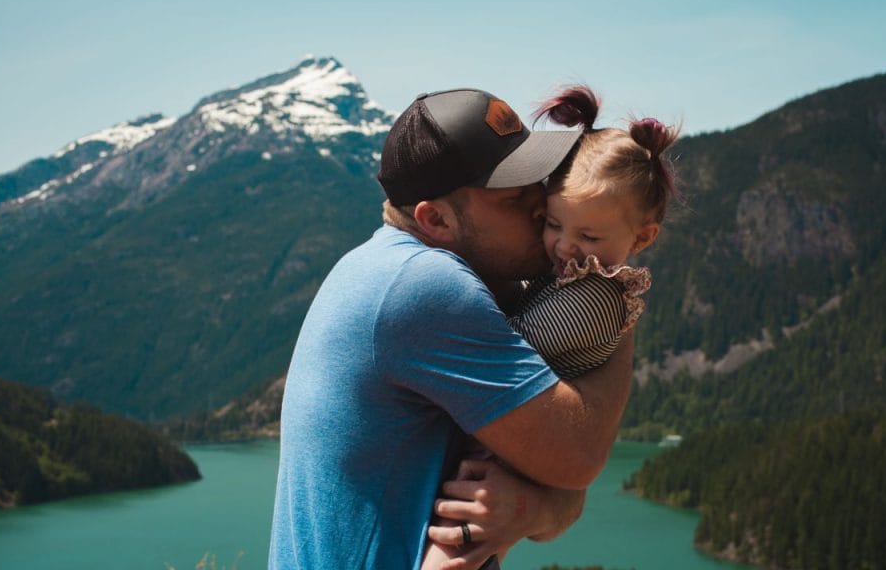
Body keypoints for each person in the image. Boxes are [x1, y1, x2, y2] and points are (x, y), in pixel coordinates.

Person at [269, 88, 637, 570]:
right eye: (513, 197)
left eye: (537, 181)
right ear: (435, 218)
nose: (540, 205)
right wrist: (615, 290)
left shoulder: (378, 265)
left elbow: (559, 487)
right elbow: (578, 456)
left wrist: (528, 508)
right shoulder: (424, 287)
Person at [420, 85, 680, 569]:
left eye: (588, 235)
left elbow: (510, 343)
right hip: (505, 448)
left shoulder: (593, 298)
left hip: (500, 460)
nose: (563, 246)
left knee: (449, 557)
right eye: (553, 223)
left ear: (642, 238)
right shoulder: (575, 277)